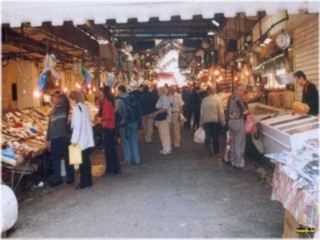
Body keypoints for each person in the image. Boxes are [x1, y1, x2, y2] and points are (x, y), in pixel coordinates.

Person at [46, 91, 74, 187]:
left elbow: (66, 100)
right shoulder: (52, 111)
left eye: (59, 97)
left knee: (67, 158)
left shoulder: (64, 107)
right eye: (55, 97)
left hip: (63, 137)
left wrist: (63, 93)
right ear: (53, 99)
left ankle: (70, 177)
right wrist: (47, 139)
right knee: (55, 160)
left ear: (61, 98)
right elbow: (49, 126)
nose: (57, 99)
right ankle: (57, 179)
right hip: (54, 138)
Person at [69, 91, 95, 189]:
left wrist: (74, 141)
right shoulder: (85, 107)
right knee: (86, 160)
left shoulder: (76, 109)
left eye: (70, 100)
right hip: (87, 138)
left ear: (74, 99)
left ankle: (83, 182)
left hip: (81, 140)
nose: (70, 103)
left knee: (82, 162)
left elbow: (77, 126)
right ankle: (89, 181)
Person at [226, 84, 250, 169]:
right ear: (239, 90)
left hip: (230, 122)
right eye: (242, 91)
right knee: (239, 143)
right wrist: (250, 111)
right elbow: (244, 112)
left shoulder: (230, 98)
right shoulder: (238, 98)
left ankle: (234, 161)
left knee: (233, 143)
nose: (243, 93)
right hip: (238, 122)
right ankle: (240, 163)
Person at [115, 85, 141, 165]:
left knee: (126, 142)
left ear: (120, 91)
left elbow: (117, 112)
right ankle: (136, 159)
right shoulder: (132, 97)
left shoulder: (119, 100)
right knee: (133, 140)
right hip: (134, 121)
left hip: (124, 123)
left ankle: (127, 159)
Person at [200, 86, 226, 155]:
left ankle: (208, 148)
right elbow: (221, 111)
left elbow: (202, 112)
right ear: (214, 91)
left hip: (206, 120)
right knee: (215, 136)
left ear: (208, 92)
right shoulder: (218, 100)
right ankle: (216, 150)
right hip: (215, 120)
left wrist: (201, 122)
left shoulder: (204, 100)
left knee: (208, 135)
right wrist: (223, 120)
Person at [101, 86, 121, 175]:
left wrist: (100, 119)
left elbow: (107, 116)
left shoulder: (106, 103)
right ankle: (115, 168)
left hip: (108, 127)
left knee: (108, 149)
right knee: (112, 148)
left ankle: (110, 169)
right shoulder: (110, 102)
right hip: (112, 127)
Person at [152, 87, 172, 155]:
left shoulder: (164, 98)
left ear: (162, 92)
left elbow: (165, 108)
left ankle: (167, 148)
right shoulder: (162, 98)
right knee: (162, 134)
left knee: (165, 134)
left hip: (164, 119)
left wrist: (157, 112)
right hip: (160, 119)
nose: (157, 93)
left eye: (158, 91)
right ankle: (165, 148)